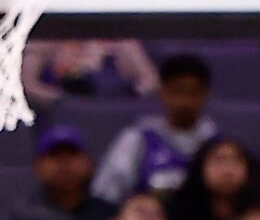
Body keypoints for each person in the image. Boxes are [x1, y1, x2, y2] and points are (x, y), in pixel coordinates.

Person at [91, 54, 216, 205]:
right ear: (162, 92)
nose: (184, 101)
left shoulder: (216, 144)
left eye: (192, 93)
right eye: (176, 92)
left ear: (205, 94)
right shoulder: (137, 138)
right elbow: (106, 194)